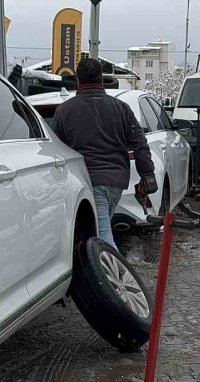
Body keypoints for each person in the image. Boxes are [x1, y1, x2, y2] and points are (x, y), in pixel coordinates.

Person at [52, 58, 156, 248]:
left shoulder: (65, 110)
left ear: (78, 81)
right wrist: (147, 175)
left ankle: (114, 275)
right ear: (101, 79)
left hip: (89, 181)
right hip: (117, 181)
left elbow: (55, 149)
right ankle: (93, 271)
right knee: (98, 230)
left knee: (102, 237)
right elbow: (140, 143)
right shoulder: (121, 108)